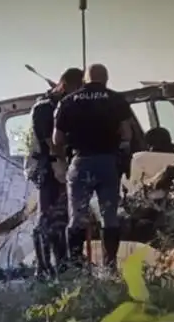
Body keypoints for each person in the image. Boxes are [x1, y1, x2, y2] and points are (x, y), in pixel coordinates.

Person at [52, 63, 134, 270]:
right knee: (109, 216)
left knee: (77, 216)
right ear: (106, 79)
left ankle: (77, 267)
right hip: (107, 163)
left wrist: (65, 156)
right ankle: (110, 266)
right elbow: (127, 133)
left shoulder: (68, 102)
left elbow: (57, 139)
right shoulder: (116, 99)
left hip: (81, 163)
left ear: (84, 80)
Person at [27, 67, 84, 277]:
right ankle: (44, 268)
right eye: (76, 89)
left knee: (63, 219)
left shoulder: (68, 106)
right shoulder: (43, 109)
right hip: (47, 167)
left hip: (63, 166)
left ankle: (63, 265)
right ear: (65, 85)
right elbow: (51, 144)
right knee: (47, 219)